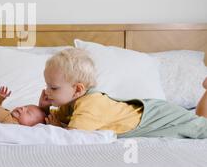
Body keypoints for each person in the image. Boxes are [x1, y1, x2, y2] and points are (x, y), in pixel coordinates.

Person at [39, 48, 207, 139]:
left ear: (78, 89)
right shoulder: (70, 103)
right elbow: (54, 119)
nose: (47, 91)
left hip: (157, 116)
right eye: (47, 86)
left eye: (53, 88)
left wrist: (57, 128)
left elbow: (75, 138)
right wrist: (44, 109)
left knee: (201, 128)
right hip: (144, 112)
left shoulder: (90, 103)